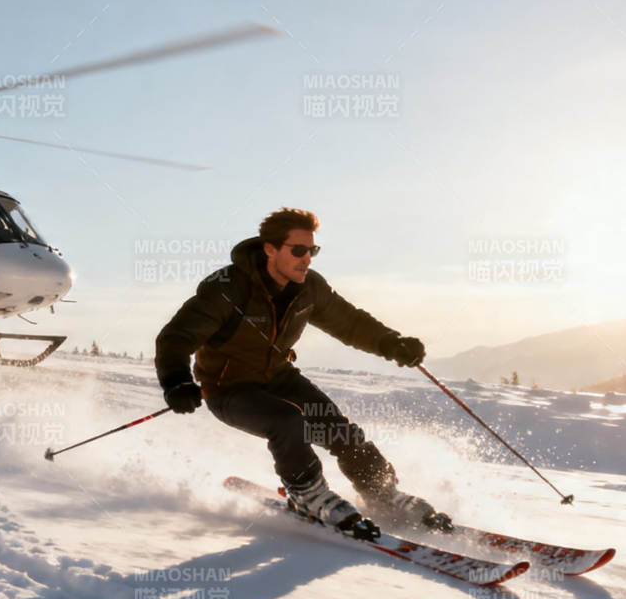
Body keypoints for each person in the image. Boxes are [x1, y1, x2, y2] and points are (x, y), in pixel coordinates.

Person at [154, 207, 449, 536]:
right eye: (298, 250)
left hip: (278, 377)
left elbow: (349, 323)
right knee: (286, 420)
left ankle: (383, 493)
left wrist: (392, 343)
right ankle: (308, 494)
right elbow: (177, 337)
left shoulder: (309, 287)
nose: (307, 258)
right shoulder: (228, 288)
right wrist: (177, 381)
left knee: (338, 428)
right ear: (270, 249)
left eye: (312, 250)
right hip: (228, 389)